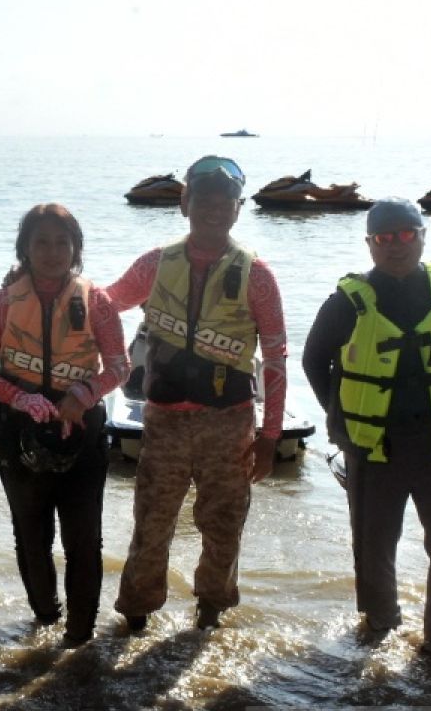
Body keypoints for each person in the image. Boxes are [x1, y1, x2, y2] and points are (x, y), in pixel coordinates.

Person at [302, 197, 431, 654]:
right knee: (373, 545)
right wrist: (340, 416)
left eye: (407, 234)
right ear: (370, 243)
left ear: (423, 236)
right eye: (384, 237)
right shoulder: (349, 300)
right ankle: (379, 625)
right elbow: (313, 359)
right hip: (372, 448)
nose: (396, 245)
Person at [106, 155, 287, 631]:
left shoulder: (257, 275)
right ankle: (137, 614)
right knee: (152, 524)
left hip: (229, 422)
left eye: (224, 202)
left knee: (224, 525)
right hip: (164, 419)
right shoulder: (154, 264)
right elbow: (104, 306)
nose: (213, 210)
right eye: (203, 200)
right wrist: (48, 288)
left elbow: (275, 357)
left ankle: (210, 612)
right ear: (185, 203)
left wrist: (270, 436)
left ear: (237, 208)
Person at [0, 203, 130, 646]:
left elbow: (120, 367)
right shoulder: (1, 302)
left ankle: (79, 637)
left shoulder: (97, 302)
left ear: (76, 248)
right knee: (30, 534)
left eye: (63, 242)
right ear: (25, 247)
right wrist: (20, 398)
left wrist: (82, 395)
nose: (53, 251)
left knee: (84, 540)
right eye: (42, 241)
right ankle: (44, 619)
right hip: (18, 429)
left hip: (82, 431)